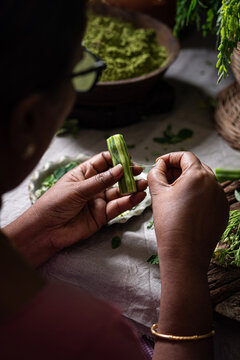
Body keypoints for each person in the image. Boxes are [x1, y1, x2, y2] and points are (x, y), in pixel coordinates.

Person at [0, 1, 229, 359]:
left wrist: (38, 231)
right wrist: (184, 262)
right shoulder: (87, 338)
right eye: (81, 70)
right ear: (28, 119)